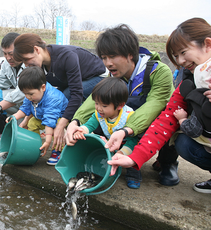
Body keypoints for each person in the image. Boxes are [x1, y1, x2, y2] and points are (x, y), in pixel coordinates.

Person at [107, 17, 211, 193]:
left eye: (183, 52)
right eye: (176, 56)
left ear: (207, 44)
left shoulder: (157, 71)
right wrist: (135, 158)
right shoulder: (187, 81)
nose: (180, 61)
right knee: (183, 141)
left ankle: (168, 162)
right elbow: (166, 119)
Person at [65, 24, 175, 185]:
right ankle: (112, 155)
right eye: (103, 57)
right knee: (100, 114)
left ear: (130, 54)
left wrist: (125, 130)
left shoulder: (159, 72)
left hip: (152, 122)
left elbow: (153, 106)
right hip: (127, 123)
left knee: (172, 121)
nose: (107, 63)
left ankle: (167, 162)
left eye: (112, 56)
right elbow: (94, 100)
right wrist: (76, 122)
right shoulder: (114, 74)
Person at [13, 33, 107, 162]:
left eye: (26, 59)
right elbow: (36, 97)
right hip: (74, 84)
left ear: (36, 49)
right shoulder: (41, 67)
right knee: (58, 99)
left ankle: (65, 143)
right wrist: (26, 119)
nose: (26, 64)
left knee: (65, 97)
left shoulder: (66, 56)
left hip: (98, 79)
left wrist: (60, 125)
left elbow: (76, 94)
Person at [73, 77, 140, 188]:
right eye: (96, 103)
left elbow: (133, 140)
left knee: (131, 160)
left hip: (128, 143)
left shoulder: (128, 116)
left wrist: (122, 152)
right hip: (112, 141)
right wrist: (82, 130)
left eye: (104, 106)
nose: (99, 108)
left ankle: (133, 175)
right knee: (108, 156)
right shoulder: (99, 113)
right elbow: (90, 124)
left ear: (120, 105)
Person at [10, 66, 68, 165]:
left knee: (57, 129)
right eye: (25, 94)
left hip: (59, 119)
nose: (28, 97)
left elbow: (50, 120)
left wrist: (48, 140)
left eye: (30, 94)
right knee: (32, 123)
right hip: (41, 117)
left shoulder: (53, 98)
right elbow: (25, 108)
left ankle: (58, 150)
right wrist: (15, 117)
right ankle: (34, 145)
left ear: (43, 87)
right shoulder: (32, 95)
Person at [0, 32, 26, 127]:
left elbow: (22, 92)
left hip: (34, 104)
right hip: (21, 104)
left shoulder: (30, 65)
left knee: (4, 95)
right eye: (5, 54)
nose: (8, 58)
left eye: (11, 54)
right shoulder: (7, 64)